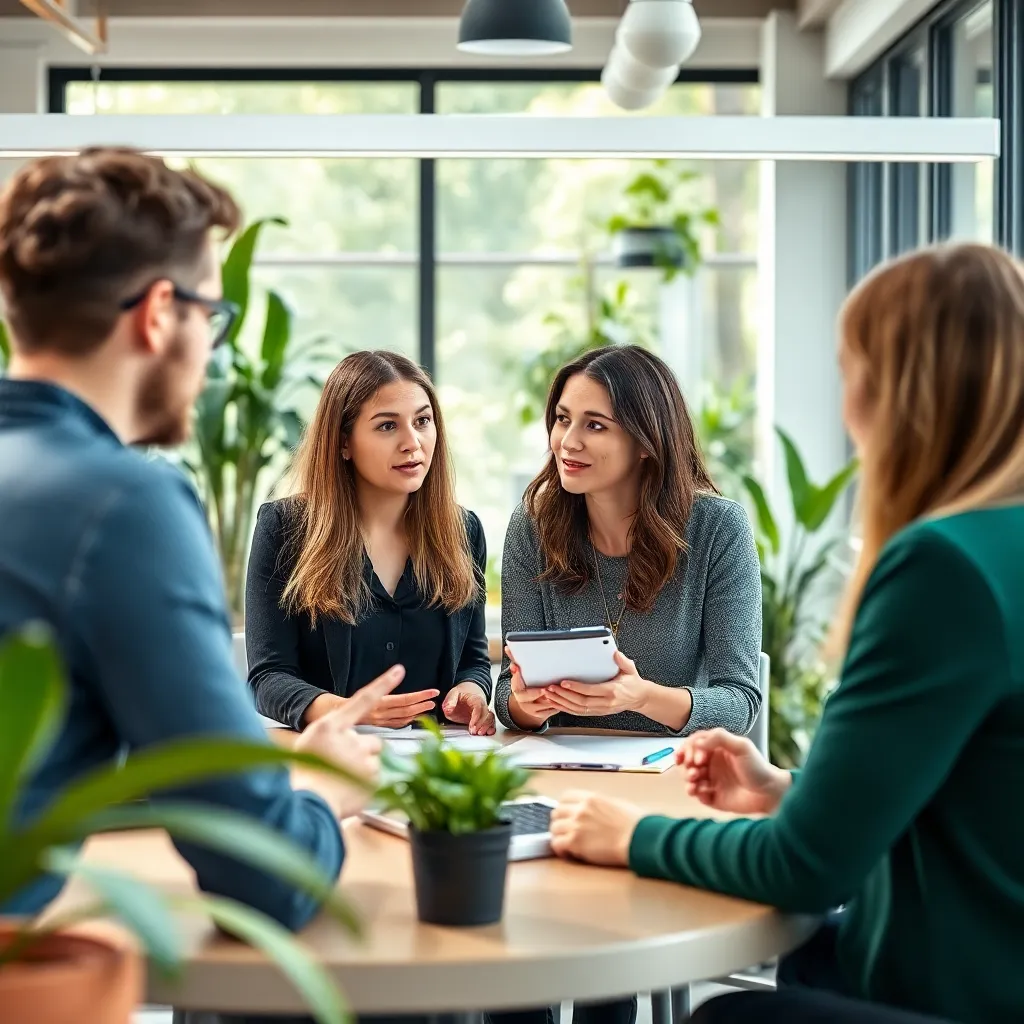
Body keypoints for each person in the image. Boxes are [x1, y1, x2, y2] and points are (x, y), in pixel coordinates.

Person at [547, 243, 1024, 1024]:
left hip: (964, 989)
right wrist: (789, 794)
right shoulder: (997, 546)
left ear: (902, 391)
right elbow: (964, 791)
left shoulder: (943, 569)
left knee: (725, 1019)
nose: (846, 405)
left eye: (851, 371)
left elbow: (806, 869)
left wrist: (633, 836)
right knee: (812, 959)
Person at [0, 147, 396, 929]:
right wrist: (322, 789)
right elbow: (264, 872)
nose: (210, 350)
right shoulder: (123, 504)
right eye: (211, 316)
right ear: (158, 314)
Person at [491, 345, 761, 1024]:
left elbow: (740, 701)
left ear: (645, 440)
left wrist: (638, 697)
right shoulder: (533, 526)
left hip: (666, 787)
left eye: (595, 425)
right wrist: (523, 702)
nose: (568, 441)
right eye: (562, 419)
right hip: (555, 778)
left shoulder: (717, 530)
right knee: (509, 939)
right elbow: (507, 694)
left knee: (598, 946)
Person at [245, 350, 494, 738]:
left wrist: (472, 691)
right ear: (344, 442)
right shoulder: (285, 528)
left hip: (436, 758)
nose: (412, 442)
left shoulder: (464, 531)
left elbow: (473, 661)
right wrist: (351, 711)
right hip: (331, 754)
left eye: (422, 421)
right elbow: (268, 677)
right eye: (387, 426)